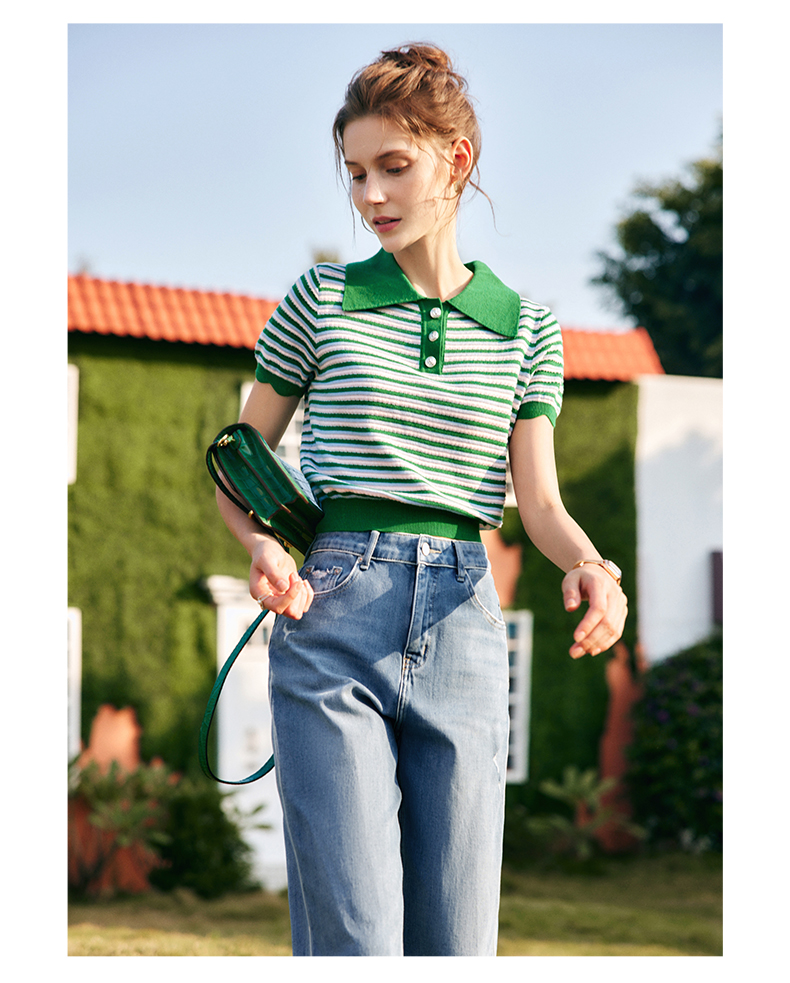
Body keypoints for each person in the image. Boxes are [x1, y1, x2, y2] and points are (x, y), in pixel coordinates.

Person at [216, 42, 628, 957]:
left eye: (393, 167)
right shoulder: (320, 299)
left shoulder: (528, 329)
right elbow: (240, 459)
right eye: (356, 172)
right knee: (355, 938)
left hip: (464, 618)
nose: (371, 195)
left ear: (456, 160)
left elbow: (540, 502)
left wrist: (592, 566)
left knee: (457, 941)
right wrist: (262, 545)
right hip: (332, 607)